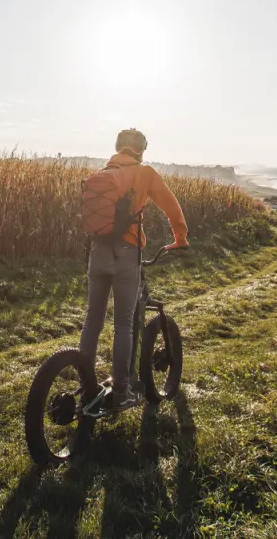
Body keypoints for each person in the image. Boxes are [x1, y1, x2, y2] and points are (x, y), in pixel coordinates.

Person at [79, 128, 189, 411]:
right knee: (124, 323)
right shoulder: (145, 173)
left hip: (98, 252)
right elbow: (170, 206)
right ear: (140, 150)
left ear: (118, 147)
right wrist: (180, 237)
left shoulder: (104, 173)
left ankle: (86, 384)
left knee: (93, 318)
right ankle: (121, 393)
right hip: (127, 253)